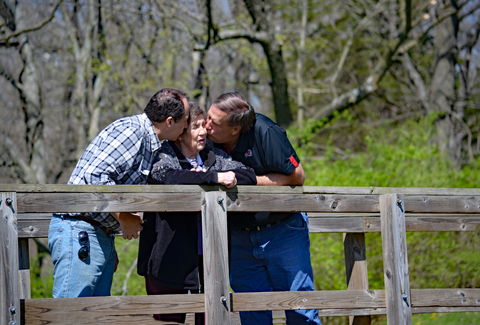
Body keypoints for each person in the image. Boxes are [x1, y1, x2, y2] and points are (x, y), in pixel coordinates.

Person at [48, 88, 190, 298]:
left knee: (93, 316)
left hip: (97, 232)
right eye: (185, 120)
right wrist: (123, 216)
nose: (186, 126)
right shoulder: (132, 132)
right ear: (170, 121)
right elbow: (95, 176)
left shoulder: (149, 140)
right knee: (69, 314)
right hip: (81, 229)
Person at [205, 93, 321, 325]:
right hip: (238, 235)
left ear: (236, 129)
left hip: (282, 230)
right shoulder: (204, 139)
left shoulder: (265, 131)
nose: (206, 126)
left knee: (300, 309)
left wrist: (248, 180)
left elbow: (298, 177)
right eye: (208, 117)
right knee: (252, 314)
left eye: (214, 123)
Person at [137, 103, 256, 323]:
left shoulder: (212, 157)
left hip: (209, 257)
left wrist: (216, 174)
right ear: (181, 132)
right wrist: (213, 179)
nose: (204, 132)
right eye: (196, 126)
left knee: (211, 318)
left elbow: (248, 174)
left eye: (204, 125)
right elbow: (166, 177)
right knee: (169, 320)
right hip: (168, 258)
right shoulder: (165, 154)